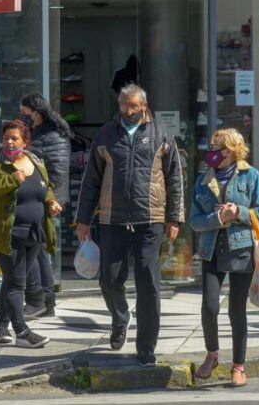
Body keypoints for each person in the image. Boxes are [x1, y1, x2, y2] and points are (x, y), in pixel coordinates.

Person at [75, 84, 184, 367]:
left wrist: (174, 218)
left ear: (144, 106)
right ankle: (121, 316)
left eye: (133, 106)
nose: (128, 111)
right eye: (124, 105)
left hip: (151, 220)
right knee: (109, 279)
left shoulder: (161, 134)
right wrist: (83, 219)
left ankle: (146, 346)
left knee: (149, 285)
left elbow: (175, 179)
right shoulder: (106, 134)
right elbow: (91, 180)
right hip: (113, 219)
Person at [189, 129, 259, 387]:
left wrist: (239, 213)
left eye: (218, 147)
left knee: (237, 310)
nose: (212, 151)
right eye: (212, 145)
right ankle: (212, 355)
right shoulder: (203, 180)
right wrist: (217, 218)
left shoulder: (251, 175)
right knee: (209, 306)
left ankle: (239, 366)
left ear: (232, 150)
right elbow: (194, 221)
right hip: (211, 249)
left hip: (241, 248)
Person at [0, 120, 62, 348]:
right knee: (17, 284)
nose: (9, 142)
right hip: (8, 235)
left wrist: (51, 201)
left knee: (12, 281)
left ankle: (2, 327)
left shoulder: (34, 161)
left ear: (25, 141)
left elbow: (45, 187)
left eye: (14, 138)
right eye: (6, 138)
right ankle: (22, 332)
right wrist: (12, 179)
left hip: (35, 234)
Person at [18, 93, 72, 319]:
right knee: (38, 251)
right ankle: (45, 300)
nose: (22, 118)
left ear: (37, 113)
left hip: (45, 202)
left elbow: (59, 174)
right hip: (35, 200)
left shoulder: (53, 137)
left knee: (35, 251)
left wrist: (54, 201)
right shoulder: (37, 134)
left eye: (25, 114)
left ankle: (38, 299)